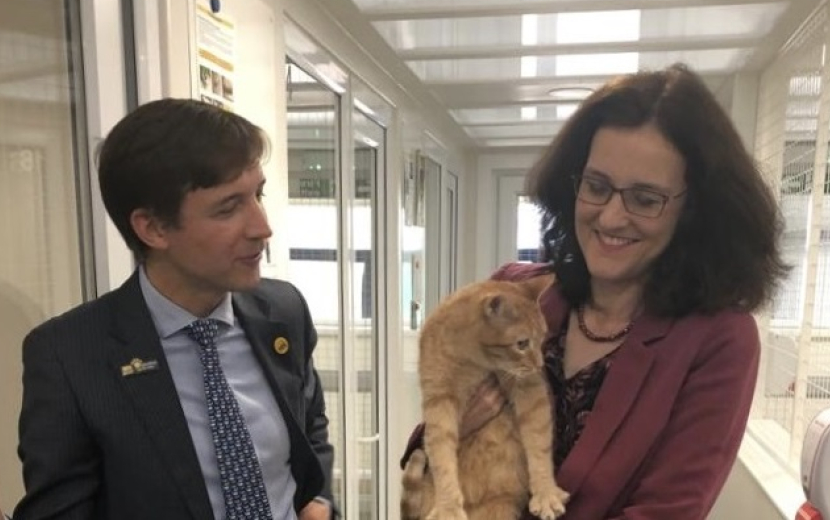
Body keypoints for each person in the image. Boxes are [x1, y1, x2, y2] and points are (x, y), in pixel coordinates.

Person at [401, 63, 788, 519]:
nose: (609, 217)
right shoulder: (519, 290)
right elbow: (425, 448)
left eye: (645, 199)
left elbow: (666, 512)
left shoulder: (718, 339)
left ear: (694, 212)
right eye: (597, 186)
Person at [14, 99, 336, 520]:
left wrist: (320, 502)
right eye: (228, 207)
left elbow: (310, 425)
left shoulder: (283, 310)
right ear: (154, 228)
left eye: (257, 195)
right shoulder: (70, 355)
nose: (262, 227)